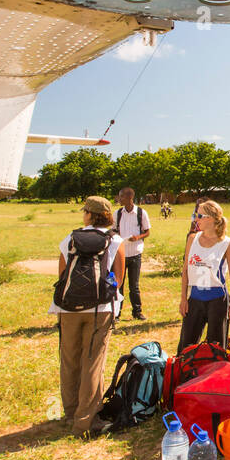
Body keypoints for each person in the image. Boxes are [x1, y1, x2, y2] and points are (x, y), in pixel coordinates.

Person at [51, 196, 125, 437]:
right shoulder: (115, 240)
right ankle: (86, 421)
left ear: (90, 215)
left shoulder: (70, 238)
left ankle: (71, 412)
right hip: (100, 309)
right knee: (93, 363)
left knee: (70, 360)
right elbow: (119, 278)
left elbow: (62, 274)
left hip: (68, 309)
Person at [178, 199, 230, 352]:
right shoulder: (192, 238)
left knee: (216, 349)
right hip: (195, 298)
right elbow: (185, 270)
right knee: (186, 347)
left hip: (217, 299)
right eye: (195, 215)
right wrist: (184, 298)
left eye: (199, 215)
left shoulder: (227, 243)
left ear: (210, 219)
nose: (195, 219)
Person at [114, 187, 151, 320]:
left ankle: (137, 312)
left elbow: (147, 232)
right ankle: (117, 313)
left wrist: (138, 237)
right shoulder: (117, 214)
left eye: (121, 197)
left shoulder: (141, 213)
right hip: (121, 254)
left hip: (135, 253)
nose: (119, 199)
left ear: (129, 198)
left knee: (134, 286)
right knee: (119, 285)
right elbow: (113, 230)